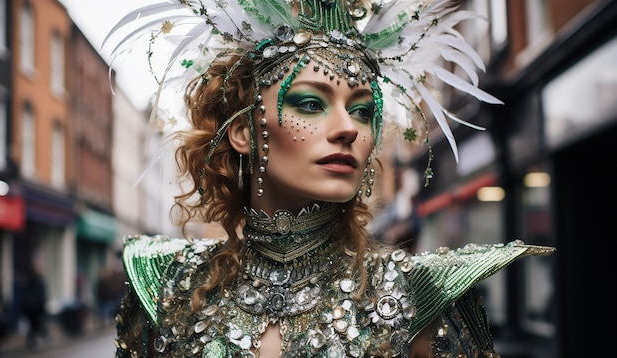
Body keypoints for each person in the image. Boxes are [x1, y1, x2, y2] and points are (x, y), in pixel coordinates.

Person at [106, 0, 555, 357]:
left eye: (362, 111)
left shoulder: (423, 300)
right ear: (245, 132)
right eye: (309, 103)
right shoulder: (165, 290)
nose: (348, 128)